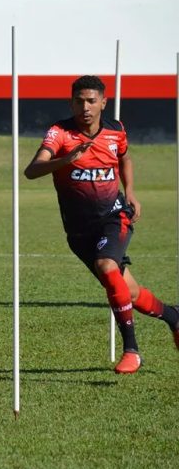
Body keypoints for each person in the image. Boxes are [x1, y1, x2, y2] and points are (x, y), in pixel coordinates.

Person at [24, 75, 179, 374]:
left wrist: (130, 191)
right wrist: (66, 159)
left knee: (107, 267)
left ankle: (132, 350)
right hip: (79, 231)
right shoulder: (59, 133)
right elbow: (32, 170)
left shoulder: (115, 130)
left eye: (92, 101)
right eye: (79, 101)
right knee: (128, 291)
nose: (86, 107)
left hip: (114, 216)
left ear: (103, 102)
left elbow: (125, 158)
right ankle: (174, 318)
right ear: (71, 103)